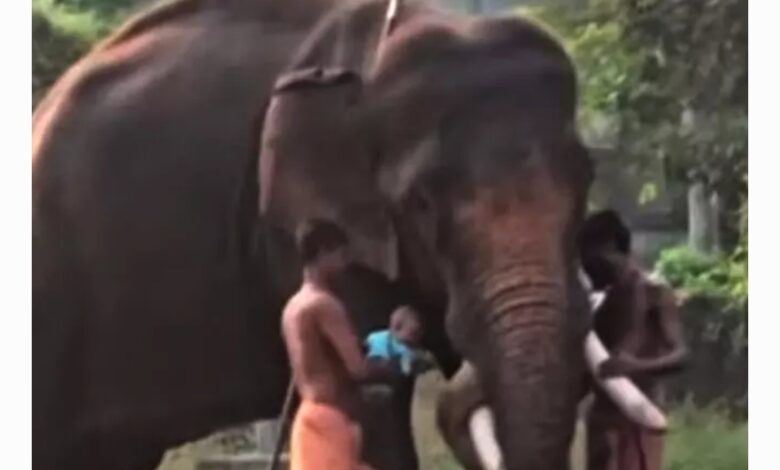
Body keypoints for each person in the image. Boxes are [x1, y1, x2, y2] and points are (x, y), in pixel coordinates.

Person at [580, 210, 688, 470]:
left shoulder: (654, 291)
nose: (586, 269)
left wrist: (636, 367)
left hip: (638, 419)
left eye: (588, 258)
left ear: (610, 248)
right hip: (601, 423)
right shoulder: (599, 303)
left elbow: (682, 354)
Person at [281, 219, 388, 470]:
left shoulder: (291, 308)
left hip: (307, 417)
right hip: (330, 419)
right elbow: (358, 369)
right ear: (323, 253)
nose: (345, 263)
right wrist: (397, 362)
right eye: (341, 255)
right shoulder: (325, 305)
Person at [364, 305, 436, 377]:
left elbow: (409, 366)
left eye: (420, 333)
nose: (418, 338)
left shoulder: (410, 350)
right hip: (372, 363)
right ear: (397, 327)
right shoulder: (378, 338)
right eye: (414, 333)